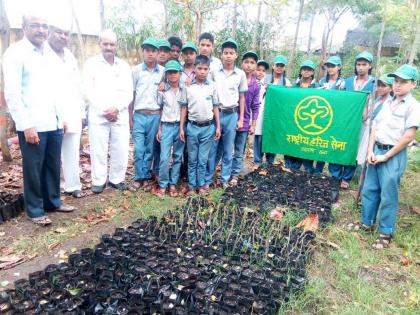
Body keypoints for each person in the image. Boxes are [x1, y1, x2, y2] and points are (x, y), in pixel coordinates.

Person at [3, 13, 75, 226]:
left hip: (52, 121)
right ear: (24, 27)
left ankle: (53, 201)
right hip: (32, 123)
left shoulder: (49, 54)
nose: (41, 30)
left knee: (52, 165)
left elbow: (56, 89)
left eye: (44, 26)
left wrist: (60, 118)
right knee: (34, 168)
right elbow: (12, 94)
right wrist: (25, 125)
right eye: (35, 26)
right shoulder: (15, 53)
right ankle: (35, 210)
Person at [361, 64, 419, 250]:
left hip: (393, 154)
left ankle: (385, 232)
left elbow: (408, 136)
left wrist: (386, 156)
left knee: (388, 194)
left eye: (403, 82)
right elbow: (375, 128)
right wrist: (370, 151)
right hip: (376, 150)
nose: (398, 85)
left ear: (413, 84)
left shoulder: (413, 106)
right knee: (370, 189)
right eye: (396, 81)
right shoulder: (387, 102)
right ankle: (367, 222)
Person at [83, 30, 133, 194]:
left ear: (116, 46)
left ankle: (116, 179)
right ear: (100, 44)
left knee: (121, 148)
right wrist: (105, 109)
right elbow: (87, 90)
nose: (109, 47)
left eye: (112, 44)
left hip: (120, 114)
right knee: (98, 149)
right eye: (105, 44)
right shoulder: (91, 64)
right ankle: (98, 181)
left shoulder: (124, 66)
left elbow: (128, 92)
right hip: (99, 114)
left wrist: (116, 108)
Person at [48, 21, 85, 198]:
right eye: (58, 32)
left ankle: (73, 185)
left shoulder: (69, 56)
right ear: (49, 32)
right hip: (51, 113)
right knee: (51, 154)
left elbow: (77, 85)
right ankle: (51, 191)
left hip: (72, 110)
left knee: (72, 151)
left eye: (65, 33)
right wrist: (57, 115)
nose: (62, 36)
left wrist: (82, 111)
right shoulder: (42, 54)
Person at [205, 38, 247, 189]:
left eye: (231, 53)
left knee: (229, 149)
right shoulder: (214, 73)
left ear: (236, 55)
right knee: (213, 149)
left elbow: (242, 98)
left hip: (232, 115)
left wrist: (241, 118)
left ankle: (224, 179)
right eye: (226, 53)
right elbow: (208, 93)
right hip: (216, 114)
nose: (228, 56)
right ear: (221, 55)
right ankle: (208, 179)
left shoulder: (240, 74)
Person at [330, 51, 375, 188]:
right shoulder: (347, 82)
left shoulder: (374, 83)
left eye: (364, 64)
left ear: (370, 66)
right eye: (358, 64)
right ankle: (335, 175)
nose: (361, 67)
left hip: (362, 122)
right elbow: (339, 100)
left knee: (354, 148)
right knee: (338, 144)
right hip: (345, 121)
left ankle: (346, 177)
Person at [180, 55, 221, 195]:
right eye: (199, 68)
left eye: (205, 69)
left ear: (209, 70)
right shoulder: (188, 87)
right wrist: (181, 128)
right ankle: (191, 185)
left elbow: (215, 107)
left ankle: (201, 184)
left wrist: (218, 126)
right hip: (192, 127)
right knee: (192, 158)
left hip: (208, 127)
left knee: (203, 159)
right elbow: (184, 108)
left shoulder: (212, 86)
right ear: (194, 69)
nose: (202, 71)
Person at [130, 38, 164, 191]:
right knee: (138, 149)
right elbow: (131, 94)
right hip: (139, 115)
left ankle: (145, 177)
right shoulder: (136, 71)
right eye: (147, 50)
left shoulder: (163, 72)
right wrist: (129, 116)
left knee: (150, 148)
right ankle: (138, 177)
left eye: (153, 51)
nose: (150, 54)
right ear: (143, 52)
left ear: (158, 53)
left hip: (155, 115)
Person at [153, 60, 186, 197]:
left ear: (180, 73)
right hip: (166, 126)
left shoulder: (184, 90)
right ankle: (163, 184)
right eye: (170, 72)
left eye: (175, 72)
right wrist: (159, 128)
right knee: (164, 157)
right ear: (166, 74)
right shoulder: (162, 90)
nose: (172, 75)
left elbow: (184, 108)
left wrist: (182, 128)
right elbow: (160, 109)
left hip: (178, 126)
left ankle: (173, 184)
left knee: (178, 156)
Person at [230, 51, 260, 185]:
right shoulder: (234, 78)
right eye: (246, 62)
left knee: (239, 150)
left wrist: (253, 125)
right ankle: (216, 171)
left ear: (255, 66)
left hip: (245, 121)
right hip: (230, 118)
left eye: (252, 63)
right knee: (223, 148)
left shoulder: (256, 85)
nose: (249, 65)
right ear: (241, 63)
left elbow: (255, 106)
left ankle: (235, 174)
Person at [285, 60, 319, 173]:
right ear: (300, 71)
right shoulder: (294, 86)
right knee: (293, 142)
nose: (306, 71)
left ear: (312, 72)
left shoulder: (317, 87)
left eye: (309, 69)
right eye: (304, 69)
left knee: (306, 144)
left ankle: (308, 168)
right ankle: (291, 167)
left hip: (309, 122)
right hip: (295, 119)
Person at [356, 75, 394, 168]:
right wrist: (366, 102)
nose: (380, 88)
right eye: (378, 85)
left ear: (391, 88)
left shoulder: (390, 103)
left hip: (378, 135)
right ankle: (362, 178)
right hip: (368, 131)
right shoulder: (376, 100)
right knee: (364, 155)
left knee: (371, 157)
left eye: (383, 86)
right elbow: (365, 117)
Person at [317, 56, 345, 174]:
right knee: (320, 144)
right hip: (322, 117)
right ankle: (317, 171)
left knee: (333, 145)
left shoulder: (343, 83)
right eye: (328, 66)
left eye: (333, 66)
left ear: (339, 67)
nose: (330, 69)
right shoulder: (322, 81)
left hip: (336, 119)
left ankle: (334, 174)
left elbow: (344, 100)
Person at [253, 60, 275, 168]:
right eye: (258, 69)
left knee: (268, 136)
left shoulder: (267, 85)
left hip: (266, 114)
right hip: (255, 115)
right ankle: (257, 160)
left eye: (263, 71)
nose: (260, 72)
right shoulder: (250, 82)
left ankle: (269, 162)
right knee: (258, 137)